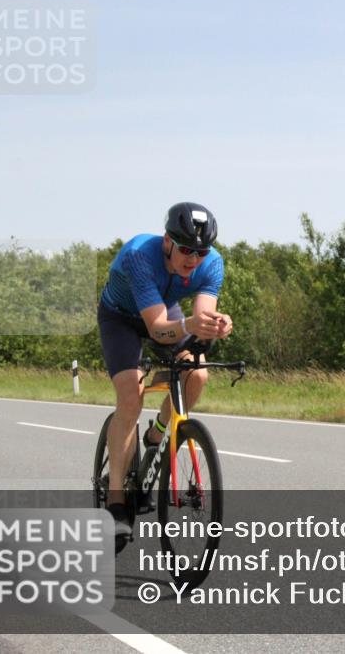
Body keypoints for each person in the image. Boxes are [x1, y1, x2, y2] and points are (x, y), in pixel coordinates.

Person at [97, 202, 232, 547]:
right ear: (167, 242)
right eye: (186, 249)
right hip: (121, 318)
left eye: (200, 251)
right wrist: (188, 325)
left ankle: (157, 436)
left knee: (196, 374)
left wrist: (215, 326)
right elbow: (158, 329)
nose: (193, 258)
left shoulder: (212, 263)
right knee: (131, 394)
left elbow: (201, 317)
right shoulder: (140, 255)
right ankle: (115, 503)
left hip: (163, 311)